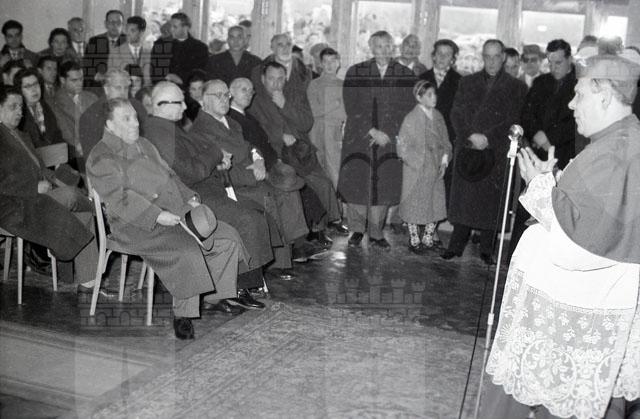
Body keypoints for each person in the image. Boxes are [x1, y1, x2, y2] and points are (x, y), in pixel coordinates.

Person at [482, 54, 640, 419]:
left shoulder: (614, 152)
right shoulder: (621, 140)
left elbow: (577, 248)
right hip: (585, 301)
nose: (571, 104)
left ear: (604, 96)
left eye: (579, 94)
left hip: (571, 305)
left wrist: (540, 185)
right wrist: (553, 182)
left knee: (543, 393)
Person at [86, 98, 253, 339]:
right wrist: (156, 215)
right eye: (127, 119)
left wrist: (191, 198)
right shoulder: (101, 156)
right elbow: (121, 198)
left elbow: (171, 176)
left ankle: (212, 296)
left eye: (135, 117)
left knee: (228, 237)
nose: (135, 123)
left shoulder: (144, 144)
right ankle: (183, 314)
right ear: (109, 125)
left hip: (173, 210)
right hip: (134, 224)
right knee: (188, 249)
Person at [144, 81, 295, 282]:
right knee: (248, 217)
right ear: (162, 105)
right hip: (193, 196)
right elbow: (190, 172)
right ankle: (244, 283)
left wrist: (216, 159)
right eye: (180, 102)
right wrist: (215, 154)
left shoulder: (168, 128)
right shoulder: (161, 133)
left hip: (206, 187)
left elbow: (194, 158)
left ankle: (250, 278)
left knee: (256, 210)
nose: (185, 106)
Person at [0, 86, 97, 287]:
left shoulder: (21, 135)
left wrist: (56, 179)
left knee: (83, 215)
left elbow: (41, 169)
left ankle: (88, 282)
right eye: (13, 106)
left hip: (33, 198)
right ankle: (102, 212)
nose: (19, 111)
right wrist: (33, 188)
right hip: (13, 205)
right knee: (71, 196)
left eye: (21, 106)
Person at [442, 39, 527, 264]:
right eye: (487, 57)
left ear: (503, 57)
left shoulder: (516, 87)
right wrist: (471, 135)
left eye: (496, 57)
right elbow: (456, 113)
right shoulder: (467, 82)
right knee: (464, 200)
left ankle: (487, 249)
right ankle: (455, 246)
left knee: (490, 203)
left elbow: (513, 119)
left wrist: (488, 138)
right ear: (482, 57)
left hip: (495, 150)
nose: (491, 62)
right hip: (469, 147)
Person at [249, 60, 341, 249]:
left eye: (280, 79)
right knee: (301, 184)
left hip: (299, 151)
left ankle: (320, 227)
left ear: (285, 79)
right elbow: (254, 130)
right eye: (271, 79)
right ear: (263, 79)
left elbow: (306, 123)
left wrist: (284, 105)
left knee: (323, 182)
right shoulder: (255, 100)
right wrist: (280, 135)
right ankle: (309, 233)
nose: (276, 84)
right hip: (274, 153)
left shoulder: (292, 96)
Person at [339, 30, 417, 249]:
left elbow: (408, 110)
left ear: (393, 48)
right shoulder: (356, 72)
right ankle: (356, 230)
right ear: (371, 47)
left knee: (382, 187)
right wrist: (372, 131)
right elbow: (351, 106)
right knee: (357, 185)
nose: (383, 50)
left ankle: (376, 233)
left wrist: (388, 135)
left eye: (387, 46)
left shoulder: (405, 75)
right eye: (378, 46)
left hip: (388, 141)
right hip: (360, 136)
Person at [509, 39, 587, 258]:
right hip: (538, 153)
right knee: (528, 203)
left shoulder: (579, 84)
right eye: (550, 63)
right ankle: (516, 255)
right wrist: (536, 134)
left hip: (563, 153)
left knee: (554, 207)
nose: (553, 68)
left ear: (570, 59)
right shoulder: (541, 82)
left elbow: (576, 122)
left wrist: (549, 138)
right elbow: (526, 114)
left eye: (558, 63)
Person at [397, 80, 450, 253]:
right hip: (417, 170)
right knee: (414, 204)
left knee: (435, 204)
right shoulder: (411, 118)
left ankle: (428, 237)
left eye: (435, 94)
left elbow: (446, 142)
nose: (434, 98)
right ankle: (414, 239)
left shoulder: (438, 116)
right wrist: (417, 163)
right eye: (429, 95)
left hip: (435, 168)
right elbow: (402, 147)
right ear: (419, 98)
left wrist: (444, 161)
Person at [419, 39, 461, 211]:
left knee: (442, 185)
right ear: (433, 56)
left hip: (446, 140)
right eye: (439, 53)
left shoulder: (460, 81)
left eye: (447, 54)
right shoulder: (421, 79)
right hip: (423, 139)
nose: (443, 57)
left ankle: (435, 224)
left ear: (453, 58)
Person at [79, 68, 147, 157]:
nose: (123, 93)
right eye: (118, 88)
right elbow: (93, 156)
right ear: (106, 89)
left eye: (126, 88)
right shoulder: (91, 116)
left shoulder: (137, 108)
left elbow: (146, 141)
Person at [307, 47, 346, 190]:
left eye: (333, 61)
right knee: (319, 167)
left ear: (338, 63)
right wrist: (333, 104)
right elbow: (313, 111)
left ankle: (338, 202)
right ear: (321, 64)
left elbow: (345, 114)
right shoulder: (314, 84)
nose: (329, 65)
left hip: (335, 131)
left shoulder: (343, 85)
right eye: (325, 62)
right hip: (316, 131)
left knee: (335, 168)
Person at [53, 60, 98, 159]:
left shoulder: (92, 97)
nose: (79, 83)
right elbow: (66, 133)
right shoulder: (55, 103)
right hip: (75, 153)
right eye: (74, 80)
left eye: (81, 79)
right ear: (63, 80)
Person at [150, 12, 208, 85]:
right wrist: (167, 78)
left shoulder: (200, 48)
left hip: (188, 88)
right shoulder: (160, 44)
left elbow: (200, 74)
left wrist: (181, 80)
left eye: (175, 27)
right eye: (170, 26)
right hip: (164, 86)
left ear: (186, 28)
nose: (171, 29)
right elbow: (154, 72)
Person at [14, 67, 63, 148]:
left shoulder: (45, 106)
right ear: (20, 91)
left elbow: (57, 135)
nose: (34, 89)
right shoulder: (19, 113)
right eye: (28, 86)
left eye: (36, 84)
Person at [84, 10, 126, 92]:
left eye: (118, 22)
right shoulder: (94, 41)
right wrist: (97, 76)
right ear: (105, 24)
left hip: (123, 86)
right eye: (111, 22)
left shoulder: (129, 42)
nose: (115, 25)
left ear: (123, 24)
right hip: (99, 86)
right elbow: (87, 66)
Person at [108, 16, 152, 88]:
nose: (128, 34)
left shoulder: (149, 53)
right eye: (127, 30)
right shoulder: (115, 52)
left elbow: (149, 80)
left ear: (141, 33)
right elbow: (110, 77)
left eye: (132, 31)